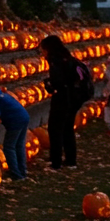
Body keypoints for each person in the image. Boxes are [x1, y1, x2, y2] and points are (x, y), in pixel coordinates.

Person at [41, 35, 87, 169]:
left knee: (55, 129)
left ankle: (56, 162)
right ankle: (71, 160)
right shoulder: (68, 58)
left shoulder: (55, 60)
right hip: (74, 97)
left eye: (43, 50)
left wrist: (49, 85)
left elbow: (58, 82)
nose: (43, 53)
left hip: (63, 97)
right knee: (68, 128)